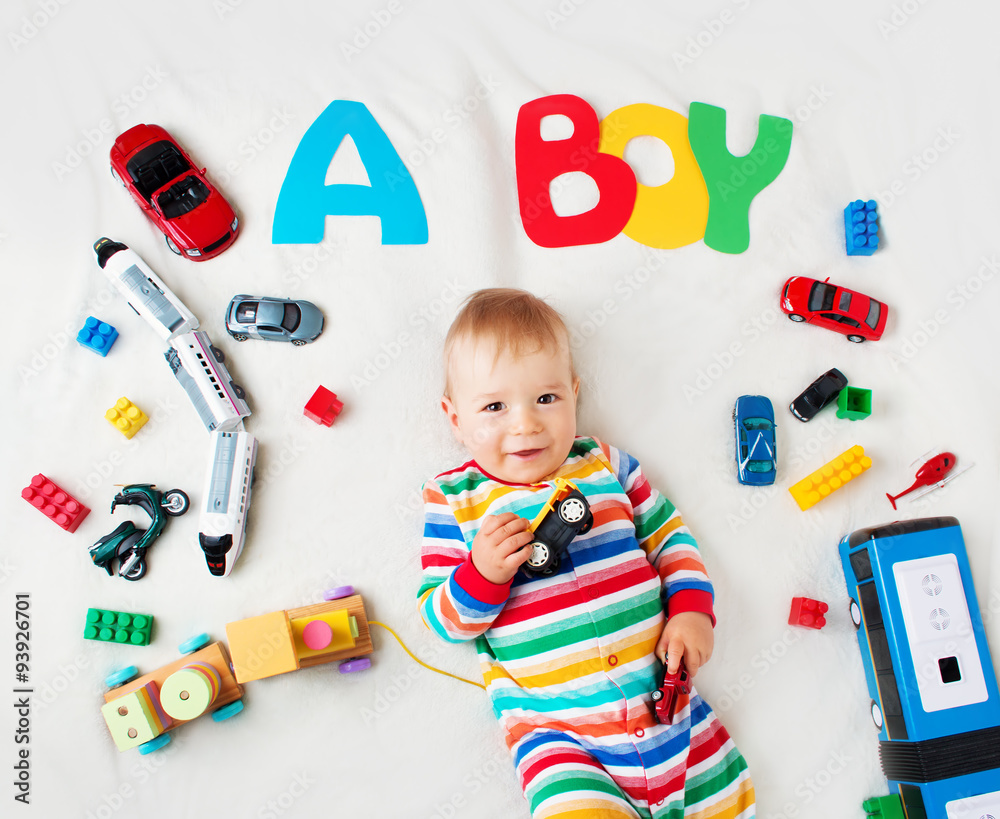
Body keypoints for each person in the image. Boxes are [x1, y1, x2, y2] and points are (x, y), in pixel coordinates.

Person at [418, 288, 755, 818]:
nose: (525, 424)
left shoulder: (604, 465)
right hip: (558, 734)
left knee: (724, 803)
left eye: (546, 399)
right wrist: (482, 574)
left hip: (666, 708)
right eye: (494, 407)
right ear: (454, 418)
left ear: (574, 394)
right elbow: (443, 620)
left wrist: (692, 610)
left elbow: (669, 537)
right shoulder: (455, 501)